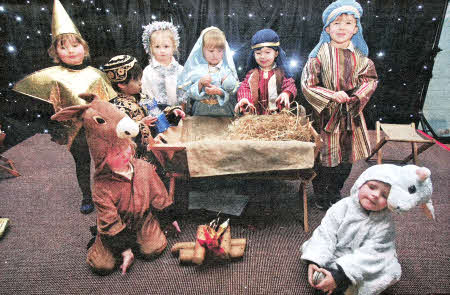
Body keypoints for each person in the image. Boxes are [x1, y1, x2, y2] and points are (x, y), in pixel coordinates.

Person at [12, 0, 116, 214]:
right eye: (63, 46)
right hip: (74, 131)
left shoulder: (96, 75)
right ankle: (87, 196)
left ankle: (109, 193)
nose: (70, 50)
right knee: (82, 162)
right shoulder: (53, 77)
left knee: (104, 162)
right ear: (55, 51)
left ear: (84, 47)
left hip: (98, 128)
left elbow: (108, 103)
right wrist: (56, 127)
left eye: (75, 45)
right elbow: (49, 105)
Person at [301, 164, 433, 295]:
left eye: (384, 195)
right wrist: (315, 260)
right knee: (316, 251)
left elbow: (372, 254)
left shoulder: (385, 225)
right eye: (372, 187)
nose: (375, 195)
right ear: (360, 184)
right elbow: (326, 233)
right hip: (336, 252)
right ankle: (328, 275)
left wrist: (341, 274)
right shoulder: (341, 207)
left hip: (362, 262)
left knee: (385, 270)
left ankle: (344, 282)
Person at [301, 0, 378, 210]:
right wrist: (331, 95)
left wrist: (356, 97)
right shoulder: (318, 56)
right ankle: (320, 192)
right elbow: (308, 84)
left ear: (355, 29)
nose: (341, 28)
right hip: (325, 116)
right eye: (336, 23)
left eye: (348, 23)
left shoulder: (361, 58)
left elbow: (370, 80)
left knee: (346, 158)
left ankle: (335, 190)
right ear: (327, 29)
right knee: (324, 158)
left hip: (351, 115)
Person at [86, 141, 173, 275]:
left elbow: (159, 195)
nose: (125, 155)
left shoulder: (144, 167)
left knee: (153, 250)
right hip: (115, 226)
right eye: (116, 153)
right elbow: (109, 220)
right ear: (103, 160)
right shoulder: (101, 184)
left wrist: (170, 218)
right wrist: (125, 250)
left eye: (125, 148)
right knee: (102, 266)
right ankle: (106, 241)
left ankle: (137, 239)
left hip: (142, 220)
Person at [178, 27, 239, 117]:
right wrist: (200, 83)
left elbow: (233, 91)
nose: (215, 55)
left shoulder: (226, 69)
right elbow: (189, 92)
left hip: (224, 112)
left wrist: (220, 91)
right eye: (211, 51)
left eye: (219, 51)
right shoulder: (197, 69)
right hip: (201, 111)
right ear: (202, 50)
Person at [235, 29, 297, 115]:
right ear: (254, 55)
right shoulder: (252, 74)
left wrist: (286, 93)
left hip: (277, 115)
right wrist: (244, 98)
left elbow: (290, 85)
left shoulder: (280, 73)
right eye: (258, 53)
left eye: (267, 52)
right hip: (257, 116)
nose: (262, 56)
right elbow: (244, 87)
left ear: (276, 53)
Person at [141, 21, 186, 118]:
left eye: (166, 46)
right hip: (158, 118)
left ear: (174, 46)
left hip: (180, 115)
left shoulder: (180, 70)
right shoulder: (148, 72)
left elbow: (185, 95)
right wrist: (157, 116)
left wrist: (181, 110)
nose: (162, 50)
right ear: (150, 48)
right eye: (157, 47)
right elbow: (147, 96)